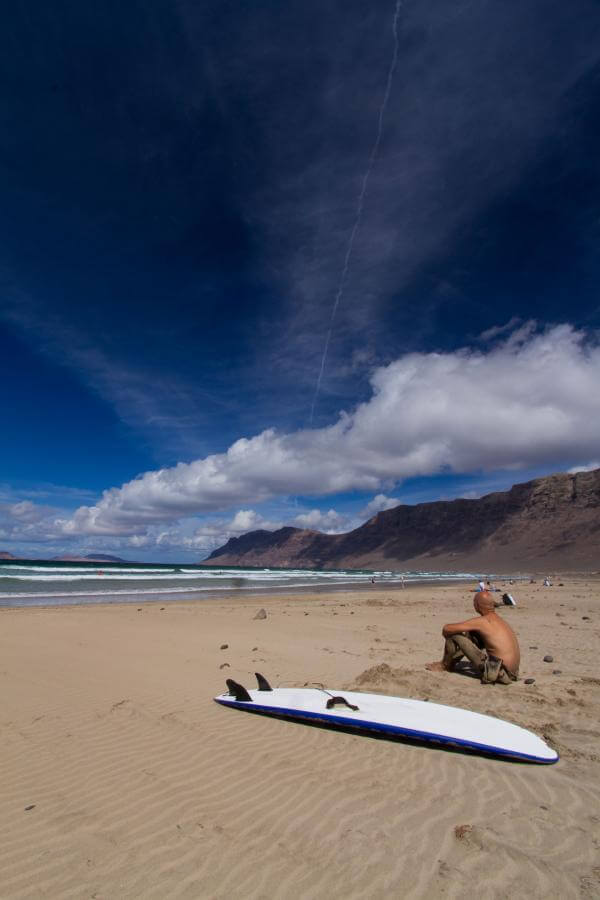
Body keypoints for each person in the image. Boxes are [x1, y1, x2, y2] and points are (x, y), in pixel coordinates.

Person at [426, 591, 520, 684]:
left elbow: (447, 628)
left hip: (499, 672)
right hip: (514, 673)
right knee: (474, 634)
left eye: (474, 602)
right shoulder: (498, 620)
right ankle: (451, 663)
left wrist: (447, 635)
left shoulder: (483, 621)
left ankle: (444, 665)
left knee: (453, 635)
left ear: (477, 605)